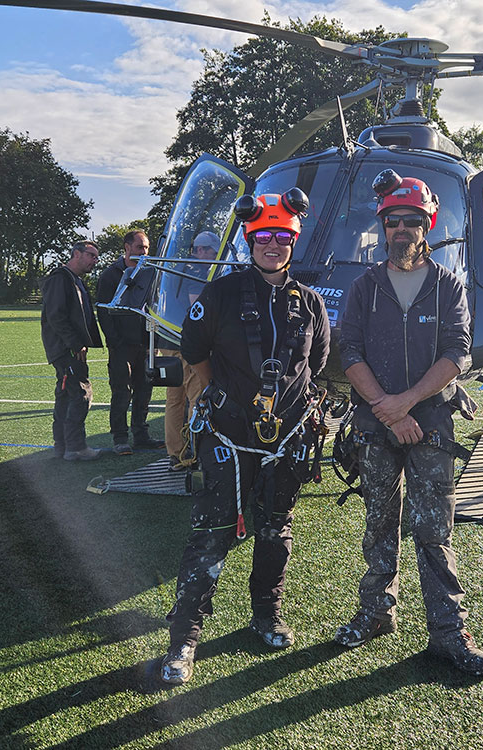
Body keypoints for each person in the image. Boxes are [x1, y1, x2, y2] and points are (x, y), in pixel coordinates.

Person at [159, 190, 330, 686]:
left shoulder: (311, 303)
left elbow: (314, 365)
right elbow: (194, 347)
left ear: (292, 241)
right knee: (212, 530)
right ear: (250, 241)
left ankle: (266, 614)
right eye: (263, 238)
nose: (272, 245)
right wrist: (217, 396)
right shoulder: (221, 293)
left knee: (276, 528)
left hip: (287, 437)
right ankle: (184, 637)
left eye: (281, 237)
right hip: (229, 435)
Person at [335, 169, 483, 676]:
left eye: (410, 221)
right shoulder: (365, 287)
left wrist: (405, 403)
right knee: (379, 522)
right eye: (392, 222)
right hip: (377, 424)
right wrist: (386, 405)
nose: (401, 230)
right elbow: (349, 352)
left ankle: (448, 632)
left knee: (433, 532)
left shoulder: (449, 287)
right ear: (382, 227)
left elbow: (458, 353)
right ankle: (377, 613)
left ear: (428, 224)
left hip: (430, 426)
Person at [96, 229, 164, 455]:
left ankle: (141, 435)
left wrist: (153, 341)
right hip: (121, 345)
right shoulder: (110, 275)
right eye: (139, 248)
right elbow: (103, 312)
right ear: (126, 248)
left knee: (144, 390)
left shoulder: (152, 273)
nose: (144, 252)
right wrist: (114, 341)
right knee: (121, 392)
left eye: (146, 248)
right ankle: (120, 438)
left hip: (145, 344)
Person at [160, 231, 220, 469]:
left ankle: (174, 452)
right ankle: (196, 451)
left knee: (174, 401)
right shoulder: (197, 271)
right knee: (197, 398)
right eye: (204, 250)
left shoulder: (179, 269)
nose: (204, 254)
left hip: (168, 340)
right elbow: (198, 305)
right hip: (188, 344)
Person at [40, 240, 104, 461]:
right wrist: (75, 344)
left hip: (68, 348)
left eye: (96, 257)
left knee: (66, 395)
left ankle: (62, 447)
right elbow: (56, 316)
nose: (95, 261)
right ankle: (75, 448)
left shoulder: (73, 280)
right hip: (66, 349)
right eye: (91, 255)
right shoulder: (60, 279)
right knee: (80, 394)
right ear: (76, 254)